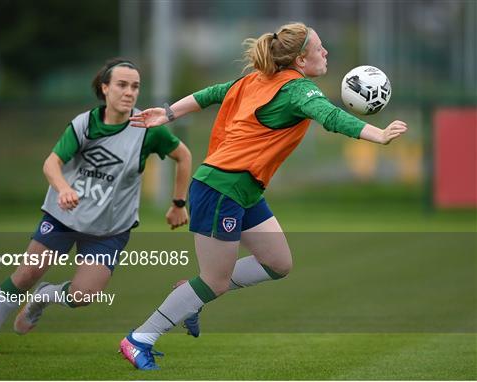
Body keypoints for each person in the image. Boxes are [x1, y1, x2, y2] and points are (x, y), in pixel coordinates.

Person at [118, 23, 408, 370]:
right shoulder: (298, 90)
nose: (326, 52)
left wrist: (167, 113)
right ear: (301, 59)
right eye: (319, 48)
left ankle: (191, 294)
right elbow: (331, 117)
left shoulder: (257, 80)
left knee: (278, 263)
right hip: (220, 189)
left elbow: (211, 93)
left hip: (244, 189)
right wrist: (379, 135)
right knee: (215, 281)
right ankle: (140, 339)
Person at [0, 58, 192, 356]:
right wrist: (63, 189)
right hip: (65, 216)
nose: (130, 92)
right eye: (122, 85)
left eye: (136, 86)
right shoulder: (84, 123)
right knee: (26, 274)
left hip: (110, 228)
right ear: (105, 88)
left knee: (84, 295)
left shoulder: (148, 128)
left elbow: (184, 156)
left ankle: (45, 297)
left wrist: (178, 203)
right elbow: (52, 163)